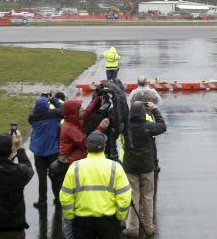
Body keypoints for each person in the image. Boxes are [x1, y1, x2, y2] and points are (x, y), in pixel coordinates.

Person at [60, 131, 132, 239]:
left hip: (82, 221)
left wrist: (70, 216)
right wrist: (120, 216)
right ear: (104, 147)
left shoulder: (75, 167)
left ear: (87, 147)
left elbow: (66, 196)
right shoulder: (115, 167)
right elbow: (124, 196)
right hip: (109, 222)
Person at [0, 130, 34, 239]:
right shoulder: (19, 172)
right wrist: (20, 148)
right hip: (13, 228)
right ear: (11, 151)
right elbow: (29, 169)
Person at [122, 101, 166, 238]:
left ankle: (133, 227)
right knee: (147, 196)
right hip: (147, 166)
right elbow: (162, 126)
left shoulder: (125, 127)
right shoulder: (148, 127)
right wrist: (154, 110)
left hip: (130, 166)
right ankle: (149, 227)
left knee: (133, 196)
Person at [28, 93, 63, 208]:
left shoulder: (33, 116)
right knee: (55, 177)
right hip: (53, 152)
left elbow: (33, 113)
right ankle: (58, 199)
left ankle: (42, 201)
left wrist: (41, 99)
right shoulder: (54, 114)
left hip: (39, 152)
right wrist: (52, 99)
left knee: (41, 178)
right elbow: (64, 109)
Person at [128, 76, 162, 175]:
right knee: (152, 143)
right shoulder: (152, 92)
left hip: (136, 121)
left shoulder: (134, 93)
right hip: (149, 120)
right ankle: (155, 165)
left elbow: (129, 104)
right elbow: (159, 102)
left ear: (137, 83)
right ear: (147, 82)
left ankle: (135, 164)